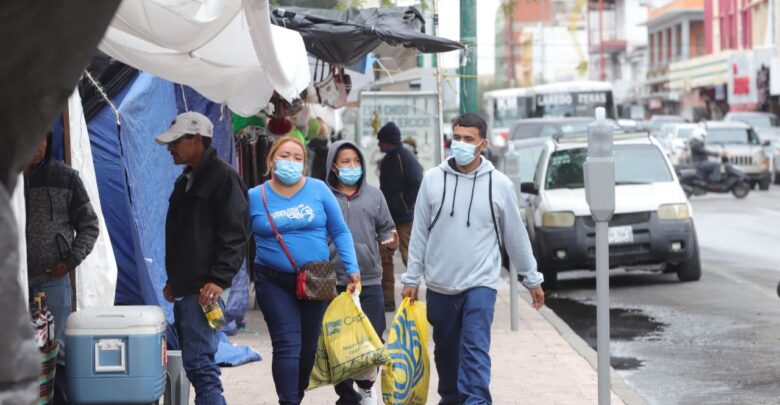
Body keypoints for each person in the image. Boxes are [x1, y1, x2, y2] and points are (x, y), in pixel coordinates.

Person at [400, 113, 545, 404]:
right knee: (447, 356)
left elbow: (515, 236)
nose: (461, 144)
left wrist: (531, 278)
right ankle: (451, 399)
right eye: (457, 138)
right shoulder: (432, 180)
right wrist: (411, 278)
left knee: (475, 351)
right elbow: (419, 234)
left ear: (483, 144)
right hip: (440, 285)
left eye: (469, 139)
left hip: (481, 284)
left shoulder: (499, 185)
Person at [249, 135, 360, 405]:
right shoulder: (255, 196)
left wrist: (352, 268)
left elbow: (340, 231)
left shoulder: (318, 189)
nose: (291, 162)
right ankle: (289, 401)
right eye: (285, 156)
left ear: (304, 163)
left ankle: (295, 395)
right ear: (271, 161)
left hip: (316, 280)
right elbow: (235, 235)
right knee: (287, 344)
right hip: (272, 281)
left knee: (309, 348)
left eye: (297, 158)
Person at [157, 112, 248, 405]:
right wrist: (174, 280)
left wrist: (218, 279)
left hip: (205, 290)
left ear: (197, 139)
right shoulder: (186, 180)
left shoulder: (223, 178)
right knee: (198, 363)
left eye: (175, 142)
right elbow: (184, 236)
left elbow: (234, 235)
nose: (170, 149)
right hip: (188, 288)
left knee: (200, 364)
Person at [25, 131, 99, 401]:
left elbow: (90, 225)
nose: (38, 147)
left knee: (57, 348)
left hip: (52, 280)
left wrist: (69, 262)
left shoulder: (66, 177)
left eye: (43, 140)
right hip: (13, 282)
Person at [326, 140, 398, 404]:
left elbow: (386, 229)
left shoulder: (375, 195)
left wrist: (391, 242)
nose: (352, 166)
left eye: (356, 161)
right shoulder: (324, 196)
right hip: (333, 281)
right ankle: (346, 396)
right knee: (338, 342)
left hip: (369, 279)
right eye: (346, 161)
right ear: (334, 166)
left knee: (373, 335)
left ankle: (366, 385)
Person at [377, 122, 423, 311]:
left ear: (388, 141)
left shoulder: (406, 158)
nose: (379, 145)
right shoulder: (388, 159)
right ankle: (388, 300)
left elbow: (417, 183)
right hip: (388, 218)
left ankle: (413, 298)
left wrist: (404, 204)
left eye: (381, 141)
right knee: (385, 258)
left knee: (407, 256)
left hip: (404, 218)